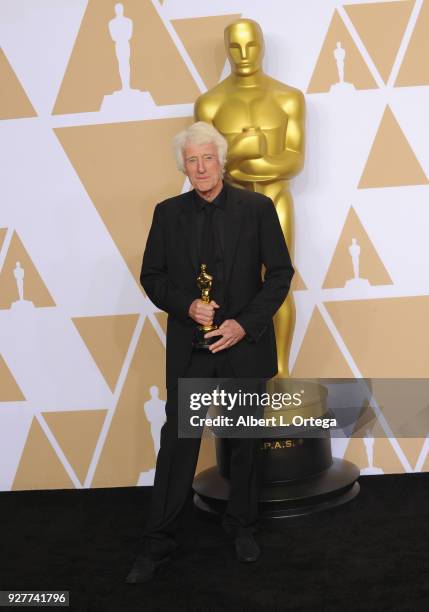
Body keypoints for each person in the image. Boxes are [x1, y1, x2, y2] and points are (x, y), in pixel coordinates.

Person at [126, 121, 294, 583]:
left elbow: (280, 273)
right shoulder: (167, 213)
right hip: (192, 349)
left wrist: (244, 324)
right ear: (184, 165)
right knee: (178, 447)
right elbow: (152, 276)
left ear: (221, 161)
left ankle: (241, 526)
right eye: (192, 160)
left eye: (207, 158)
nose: (200, 167)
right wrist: (187, 306)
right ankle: (156, 542)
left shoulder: (257, 208)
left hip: (244, 345)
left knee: (244, 445)